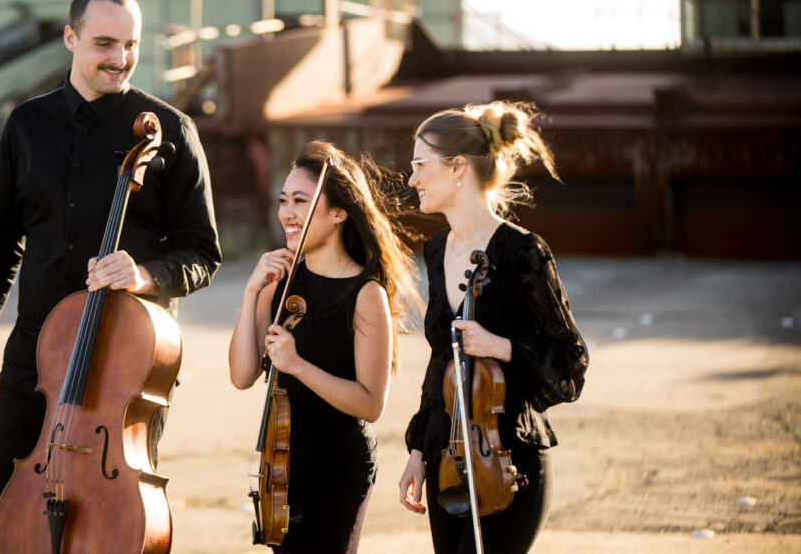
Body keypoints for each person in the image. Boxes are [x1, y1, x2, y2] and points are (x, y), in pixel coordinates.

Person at [0, 0, 222, 553]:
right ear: (71, 38)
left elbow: (202, 253)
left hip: (122, 372)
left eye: (131, 45)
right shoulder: (26, 127)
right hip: (34, 360)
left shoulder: (170, 132)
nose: (120, 59)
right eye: (104, 43)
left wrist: (145, 275)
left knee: (113, 535)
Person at [397, 101, 589, 554]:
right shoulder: (437, 248)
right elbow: (440, 363)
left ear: (458, 167)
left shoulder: (523, 252)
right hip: (447, 463)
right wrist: (419, 452)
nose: (412, 180)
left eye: (420, 165)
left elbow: (571, 363)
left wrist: (501, 347)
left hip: (509, 463)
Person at [229, 141, 420, 553]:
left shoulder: (366, 294)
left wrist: (297, 365)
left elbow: (371, 404)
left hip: (338, 467)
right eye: (283, 201)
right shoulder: (279, 280)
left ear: (338, 213)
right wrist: (251, 293)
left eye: (300, 200)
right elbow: (242, 376)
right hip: (280, 461)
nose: (287, 213)